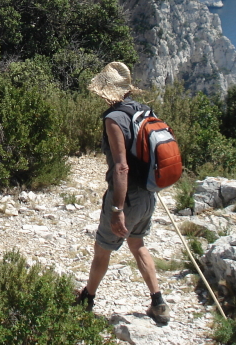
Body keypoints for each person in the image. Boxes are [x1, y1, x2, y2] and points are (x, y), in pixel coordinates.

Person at [78, 61, 170, 325]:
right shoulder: (143, 110)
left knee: (102, 250)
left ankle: (87, 299)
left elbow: (121, 167)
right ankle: (158, 302)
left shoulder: (113, 119)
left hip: (126, 196)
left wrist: (117, 209)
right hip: (148, 195)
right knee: (137, 244)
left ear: (106, 92)